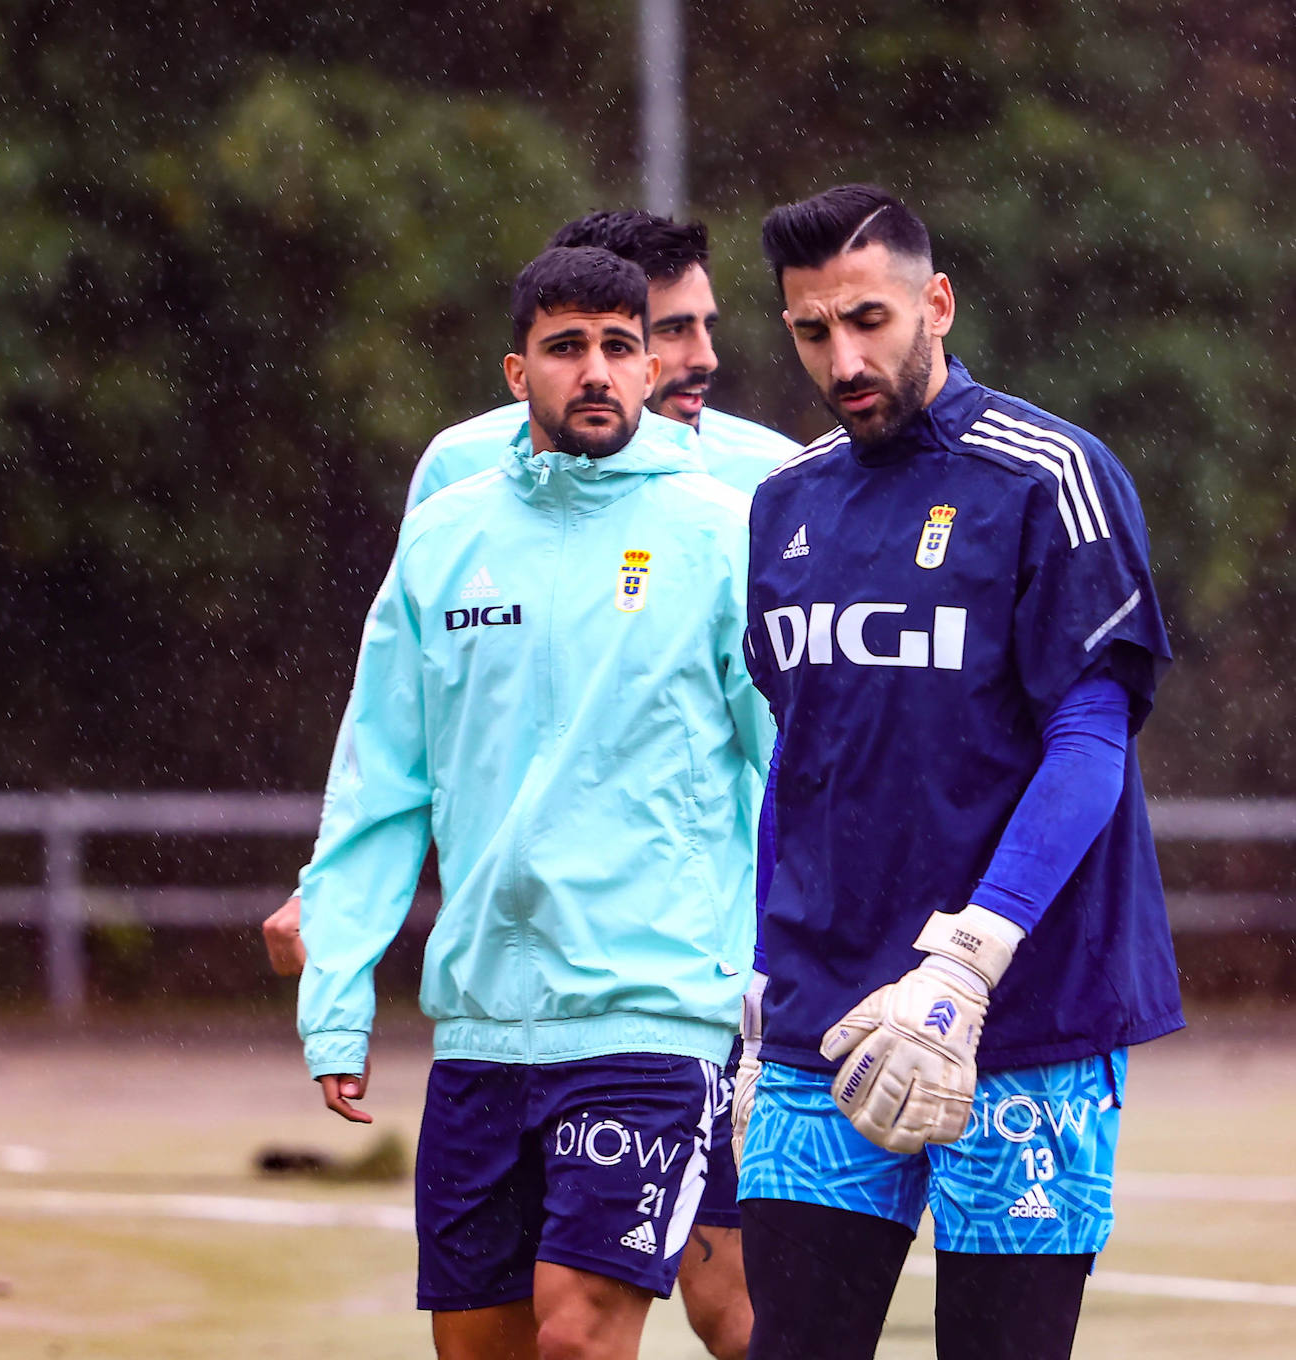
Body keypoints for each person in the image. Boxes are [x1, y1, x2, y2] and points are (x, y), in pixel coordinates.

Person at [266, 209, 800, 1360]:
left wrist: (796, 977)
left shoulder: (725, 528)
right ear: (520, 371)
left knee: (583, 1333)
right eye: (568, 347)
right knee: (484, 1349)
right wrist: (340, 993)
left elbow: (794, 762)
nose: (597, 370)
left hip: (656, 1008)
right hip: (481, 1026)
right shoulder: (448, 531)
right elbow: (381, 777)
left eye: (621, 344)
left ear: (650, 366)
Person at [734, 184, 1183, 1360]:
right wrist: (758, 974)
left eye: (870, 319)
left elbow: (1092, 739)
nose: (844, 357)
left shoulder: (1049, 477)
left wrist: (973, 958)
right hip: (822, 1025)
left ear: (936, 301)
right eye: (812, 331)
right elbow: (803, 757)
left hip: (1023, 1015)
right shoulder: (784, 506)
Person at [403, 210, 800, 510]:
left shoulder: (777, 473)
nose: (706, 358)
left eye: (706, 327)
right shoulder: (458, 464)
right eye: (674, 329)